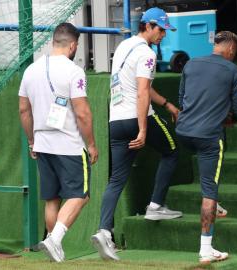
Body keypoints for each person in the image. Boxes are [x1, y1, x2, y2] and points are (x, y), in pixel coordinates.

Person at [91, 7, 182, 261]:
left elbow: (142, 87)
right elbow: (142, 92)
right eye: (161, 29)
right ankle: (155, 206)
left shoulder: (124, 46)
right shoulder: (147, 54)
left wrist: (168, 104)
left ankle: (104, 231)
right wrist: (143, 128)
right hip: (135, 118)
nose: (164, 34)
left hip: (116, 120)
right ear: (149, 26)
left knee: (116, 178)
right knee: (172, 150)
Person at [19, 22, 98, 262]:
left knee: (52, 198)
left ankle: (55, 249)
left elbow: (24, 110)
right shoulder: (73, 71)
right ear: (73, 45)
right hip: (69, 144)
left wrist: (32, 140)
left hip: (42, 142)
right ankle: (54, 240)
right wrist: (92, 144)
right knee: (80, 195)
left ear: (54, 42)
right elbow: (82, 112)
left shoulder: (30, 70)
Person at [175, 31, 237, 264]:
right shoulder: (234, 71)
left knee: (208, 178)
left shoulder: (191, 63)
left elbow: (182, 98)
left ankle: (215, 204)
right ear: (232, 50)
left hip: (183, 133)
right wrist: (229, 119)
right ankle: (206, 249)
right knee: (209, 189)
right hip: (208, 137)